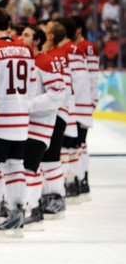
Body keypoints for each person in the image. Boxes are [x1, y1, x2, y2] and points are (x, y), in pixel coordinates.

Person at [0, 7, 36, 237]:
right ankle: (17, 212)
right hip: (21, 116)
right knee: (15, 166)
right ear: (9, 26)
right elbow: (32, 83)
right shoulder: (25, 49)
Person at [19, 26, 66, 227]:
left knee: (30, 167)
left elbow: (58, 94)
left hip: (40, 125)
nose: (22, 38)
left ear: (37, 40)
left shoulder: (46, 61)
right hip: (23, 124)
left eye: (27, 35)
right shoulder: (26, 61)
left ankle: (33, 207)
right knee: (23, 167)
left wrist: (27, 106)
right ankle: (28, 206)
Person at [39, 21, 72, 219]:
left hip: (56, 111)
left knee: (51, 156)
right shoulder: (56, 56)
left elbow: (60, 90)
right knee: (48, 156)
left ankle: (56, 195)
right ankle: (50, 194)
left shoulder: (55, 57)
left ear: (50, 37)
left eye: (46, 30)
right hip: (55, 110)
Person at [56, 17, 90, 203]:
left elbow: (71, 81)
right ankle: (77, 183)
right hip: (78, 104)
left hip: (70, 106)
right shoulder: (77, 50)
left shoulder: (66, 51)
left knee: (67, 147)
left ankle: (69, 184)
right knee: (76, 146)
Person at [73, 15, 99, 201]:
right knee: (78, 145)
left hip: (82, 103)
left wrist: (92, 99)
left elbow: (93, 76)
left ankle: (82, 178)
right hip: (77, 102)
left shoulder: (87, 47)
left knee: (79, 143)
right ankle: (80, 178)